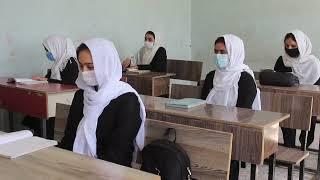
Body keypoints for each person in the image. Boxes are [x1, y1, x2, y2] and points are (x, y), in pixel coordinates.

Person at [58, 38, 145, 167]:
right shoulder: (81, 95)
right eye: (81, 66)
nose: (84, 72)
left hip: (111, 172)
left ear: (107, 64)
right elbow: (69, 139)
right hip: (76, 167)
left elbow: (118, 154)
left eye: (91, 66)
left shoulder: (127, 100)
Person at [201, 34, 261, 180]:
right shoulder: (211, 76)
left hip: (234, 130)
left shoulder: (245, 79)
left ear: (235, 52)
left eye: (223, 52)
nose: (218, 55)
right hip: (209, 125)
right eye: (216, 52)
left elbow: (244, 114)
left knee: (226, 149)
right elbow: (201, 105)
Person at [23, 35, 79, 139]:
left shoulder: (71, 62)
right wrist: (39, 80)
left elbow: (70, 83)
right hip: (54, 98)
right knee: (34, 110)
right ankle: (37, 136)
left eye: (47, 50)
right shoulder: (57, 64)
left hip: (65, 101)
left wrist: (47, 80)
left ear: (56, 47)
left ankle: (46, 138)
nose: (47, 53)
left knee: (42, 113)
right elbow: (48, 79)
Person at [274, 30, 320, 148]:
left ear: (302, 45)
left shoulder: (314, 64)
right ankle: (289, 147)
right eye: (287, 45)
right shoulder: (282, 60)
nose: (289, 48)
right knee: (285, 116)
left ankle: (304, 146)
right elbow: (277, 81)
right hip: (287, 101)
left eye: (293, 46)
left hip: (309, 104)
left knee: (309, 121)